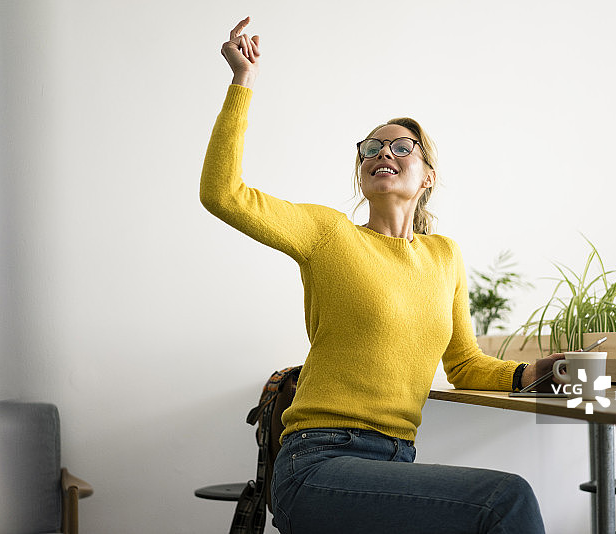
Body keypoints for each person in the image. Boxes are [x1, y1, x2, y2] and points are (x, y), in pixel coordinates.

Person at [202, 16, 563, 534]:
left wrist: (536, 374)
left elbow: (464, 364)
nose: (382, 154)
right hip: (319, 462)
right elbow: (222, 194)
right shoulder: (329, 234)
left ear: (428, 177)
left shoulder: (444, 256)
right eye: (370, 149)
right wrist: (243, 81)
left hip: (394, 463)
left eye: (399, 147)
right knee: (504, 500)